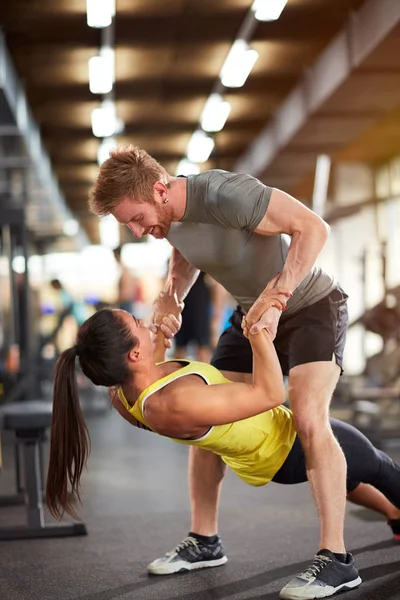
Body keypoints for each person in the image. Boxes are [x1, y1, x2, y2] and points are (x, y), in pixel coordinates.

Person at [88, 145, 353, 599]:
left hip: (311, 307)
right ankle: (205, 540)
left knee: (309, 418)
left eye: (135, 219)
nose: (136, 231)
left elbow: (312, 227)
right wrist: (173, 294)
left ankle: (337, 559)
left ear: (159, 189)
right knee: (204, 419)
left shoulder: (226, 194)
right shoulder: (167, 219)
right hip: (251, 316)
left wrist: (279, 296)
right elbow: (185, 251)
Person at [46, 304, 400, 600]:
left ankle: (394, 516)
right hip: (285, 444)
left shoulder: (123, 395)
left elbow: (150, 379)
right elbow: (272, 394)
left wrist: (159, 342)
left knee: (347, 478)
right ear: (133, 353)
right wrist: (260, 337)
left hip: (258, 458)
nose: (145, 322)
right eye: (138, 324)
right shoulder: (175, 402)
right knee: (379, 467)